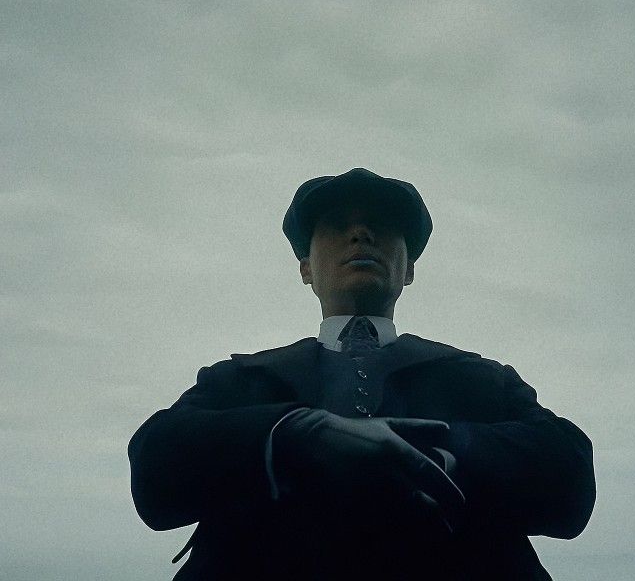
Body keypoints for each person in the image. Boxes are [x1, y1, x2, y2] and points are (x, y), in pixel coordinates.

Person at [128, 167, 595, 580]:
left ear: (409, 268)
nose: (360, 234)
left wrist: (440, 449)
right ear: (306, 269)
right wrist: (294, 435)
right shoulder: (236, 380)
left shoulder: (480, 378)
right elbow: (154, 473)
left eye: (382, 227)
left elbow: (570, 478)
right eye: (336, 226)